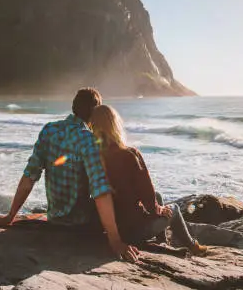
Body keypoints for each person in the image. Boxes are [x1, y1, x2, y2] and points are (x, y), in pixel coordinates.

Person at [0, 88, 139, 262]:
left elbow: (30, 175)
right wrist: (115, 240)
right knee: (136, 202)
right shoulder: (88, 139)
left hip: (55, 218)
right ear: (94, 113)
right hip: (82, 222)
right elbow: (100, 190)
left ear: (74, 107)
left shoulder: (48, 131)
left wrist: (10, 216)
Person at [89, 104, 208, 256]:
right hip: (136, 231)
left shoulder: (94, 158)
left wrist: (155, 205)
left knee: (158, 196)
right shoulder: (130, 155)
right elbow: (146, 192)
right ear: (115, 125)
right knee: (175, 210)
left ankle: (163, 241)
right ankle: (193, 247)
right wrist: (157, 210)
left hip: (115, 228)